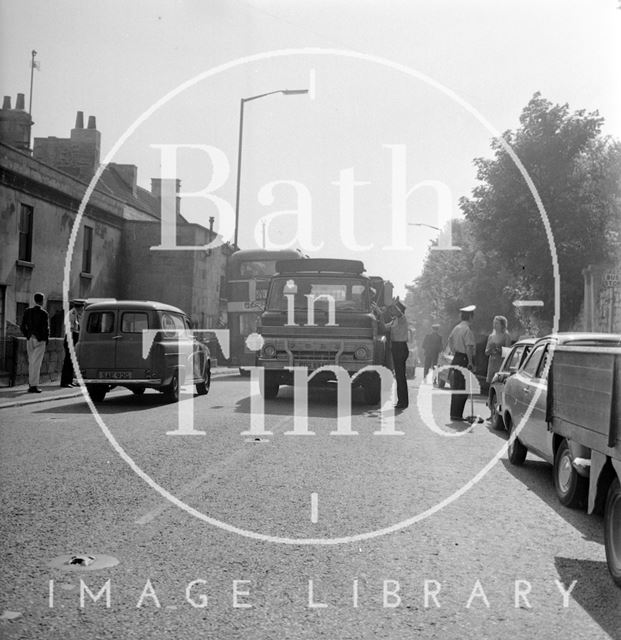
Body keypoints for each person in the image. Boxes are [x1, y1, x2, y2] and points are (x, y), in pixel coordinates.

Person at [373, 298, 410, 409]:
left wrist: (391, 305)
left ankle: (403, 402)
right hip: (396, 347)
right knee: (399, 376)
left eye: (394, 309)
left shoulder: (402, 318)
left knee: (400, 376)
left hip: (400, 347)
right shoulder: (395, 320)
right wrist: (380, 314)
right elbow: (384, 328)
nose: (392, 311)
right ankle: (402, 401)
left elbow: (398, 312)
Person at [447, 305, 476, 421]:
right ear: (470, 316)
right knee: (463, 388)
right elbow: (469, 347)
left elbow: (449, 339)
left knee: (457, 387)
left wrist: (454, 350)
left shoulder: (457, 327)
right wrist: (470, 362)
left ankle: (454, 414)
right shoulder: (467, 330)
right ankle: (458, 415)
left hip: (457, 358)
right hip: (464, 358)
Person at [20, 292, 50, 393]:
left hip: (30, 338)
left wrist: (27, 335)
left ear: (34, 300)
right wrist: (46, 339)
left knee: (31, 362)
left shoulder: (27, 311)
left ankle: (31, 383)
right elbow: (46, 329)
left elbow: (22, 326)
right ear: (42, 301)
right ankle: (33, 385)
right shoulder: (44, 313)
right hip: (39, 339)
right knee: (36, 363)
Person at [60, 299, 84, 388]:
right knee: (68, 361)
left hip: (75, 336)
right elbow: (71, 328)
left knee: (72, 361)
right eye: (82, 307)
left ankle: (70, 380)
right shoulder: (71, 314)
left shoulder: (78, 314)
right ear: (79, 307)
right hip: (71, 337)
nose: (82, 309)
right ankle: (64, 382)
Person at [485, 315, 512, 384]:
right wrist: (490, 349)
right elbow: (486, 352)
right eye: (494, 323)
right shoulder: (491, 336)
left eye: (497, 323)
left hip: (501, 363)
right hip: (492, 362)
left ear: (502, 325)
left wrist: (498, 349)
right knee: (491, 383)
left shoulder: (506, 336)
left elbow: (508, 352)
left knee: (498, 383)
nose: (494, 325)